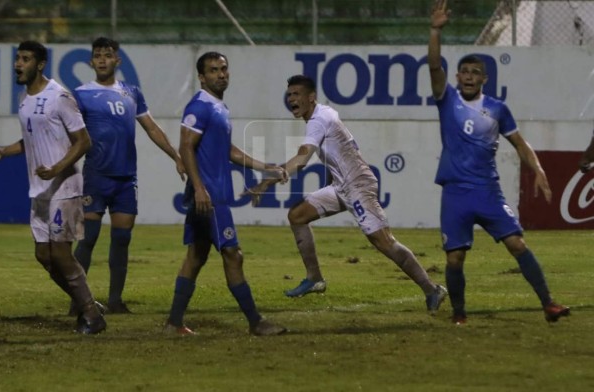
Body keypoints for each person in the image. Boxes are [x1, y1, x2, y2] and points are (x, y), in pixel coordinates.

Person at [245, 74, 447, 313]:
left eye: (296, 94)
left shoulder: (318, 120)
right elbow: (341, 150)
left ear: (311, 98)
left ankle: (431, 288)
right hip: (343, 187)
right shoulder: (324, 114)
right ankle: (314, 278)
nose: (291, 99)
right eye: (289, 95)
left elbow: (302, 157)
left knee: (384, 242)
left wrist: (270, 179)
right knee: (297, 215)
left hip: (358, 186)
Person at [428, 0, 570, 324]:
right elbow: (434, 67)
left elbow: (519, 143)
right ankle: (459, 314)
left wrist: (538, 169)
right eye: (464, 72)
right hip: (455, 193)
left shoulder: (497, 108)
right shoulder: (447, 99)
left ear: (484, 80)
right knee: (454, 259)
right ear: (458, 76)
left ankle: (549, 304)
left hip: (487, 191)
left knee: (517, 244)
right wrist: (435, 31)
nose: (467, 77)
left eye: (475, 73)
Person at [164, 51, 287, 336]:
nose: (221, 74)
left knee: (196, 256)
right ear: (202, 77)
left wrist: (263, 166)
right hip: (210, 196)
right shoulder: (200, 106)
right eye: (214, 70)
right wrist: (199, 188)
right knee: (233, 254)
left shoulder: (220, 107)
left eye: (224, 69)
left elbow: (227, 150)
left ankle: (173, 323)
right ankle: (256, 322)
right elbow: (186, 147)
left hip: (210, 193)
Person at [0, 41, 105, 334]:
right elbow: (31, 141)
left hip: (64, 186)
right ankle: (87, 303)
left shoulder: (60, 97)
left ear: (40, 64)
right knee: (43, 256)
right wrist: (4, 150)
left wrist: (57, 168)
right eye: (17, 58)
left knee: (60, 254)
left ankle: (92, 315)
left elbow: (84, 141)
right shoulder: (24, 98)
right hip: (40, 190)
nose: (18, 64)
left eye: (25, 59)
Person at [71, 37, 185, 314]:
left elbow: (152, 128)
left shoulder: (132, 92)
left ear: (117, 61)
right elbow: (71, 134)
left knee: (121, 240)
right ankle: (77, 302)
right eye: (97, 55)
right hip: (95, 176)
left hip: (125, 179)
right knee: (88, 239)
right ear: (91, 61)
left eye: (107, 55)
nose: (101, 59)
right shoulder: (81, 94)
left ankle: (115, 301)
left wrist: (176, 156)